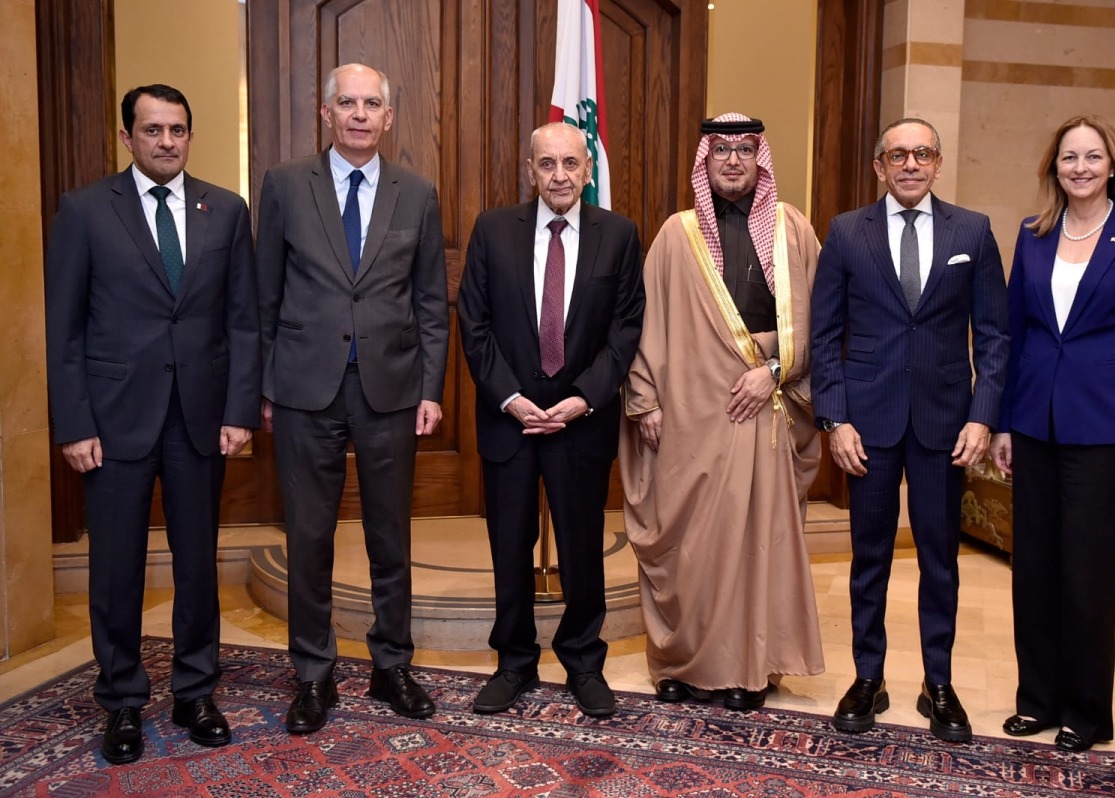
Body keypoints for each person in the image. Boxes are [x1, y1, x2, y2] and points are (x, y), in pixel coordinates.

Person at [44, 84, 260, 764]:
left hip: (200, 419)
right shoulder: (84, 210)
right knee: (116, 568)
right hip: (112, 422)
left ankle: (196, 692)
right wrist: (74, 423)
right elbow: (64, 329)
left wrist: (239, 410)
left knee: (198, 564)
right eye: (153, 129)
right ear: (127, 137)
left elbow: (243, 321)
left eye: (178, 129)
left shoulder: (226, 210)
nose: (167, 141)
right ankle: (122, 701)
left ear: (190, 135)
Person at [256, 63, 449, 733]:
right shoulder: (285, 185)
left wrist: (430, 389)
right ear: (326, 113)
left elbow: (431, 303)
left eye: (371, 104)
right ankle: (313, 673)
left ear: (388, 117)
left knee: (390, 537)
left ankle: (392, 664)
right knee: (309, 537)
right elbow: (264, 296)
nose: (360, 114)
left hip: (390, 390)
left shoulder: (416, 192)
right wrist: (265, 387)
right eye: (348, 103)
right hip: (304, 389)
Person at [810, 117, 1009, 743]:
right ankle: (868, 677)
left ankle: (938, 682)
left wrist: (982, 415)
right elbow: (825, 335)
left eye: (922, 153)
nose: (911, 164)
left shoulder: (972, 231)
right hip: (866, 425)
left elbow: (995, 335)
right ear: (880, 167)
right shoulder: (847, 231)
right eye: (897, 155)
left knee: (939, 559)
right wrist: (835, 418)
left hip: (945, 424)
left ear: (938, 163)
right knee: (868, 558)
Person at [619, 113, 825, 711]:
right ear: (704, 161)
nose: (733, 160)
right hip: (687, 410)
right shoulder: (675, 235)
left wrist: (775, 372)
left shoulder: (793, 230)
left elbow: (823, 320)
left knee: (752, 541)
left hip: (762, 407)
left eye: (744, 150)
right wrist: (644, 399)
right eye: (721, 150)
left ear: (761, 158)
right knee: (690, 542)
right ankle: (680, 663)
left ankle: (745, 668)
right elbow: (645, 323)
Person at [990, 115, 1115, 753]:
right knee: (1033, 571)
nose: (1081, 168)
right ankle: (1037, 700)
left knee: (1087, 577)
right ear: (1054, 167)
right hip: (1034, 426)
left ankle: (1086, 712)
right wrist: (1005, 422)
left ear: (1114, 165)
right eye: (1069, 157)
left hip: (1105, 433)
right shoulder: (1033, 233)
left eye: (1093, 157)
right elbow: (1015, 335)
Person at [457, 122, 644, 717]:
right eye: (547, 164)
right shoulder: (492, 230)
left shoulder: (619, 234)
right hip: (509, 419)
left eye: (570, 164)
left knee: (582, 548)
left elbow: (626, 329)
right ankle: (514, 662)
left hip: (580, 421)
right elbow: (474, 324)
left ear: (587, 170)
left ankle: (583, 661)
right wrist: (510, 398)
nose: (559, 176)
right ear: (530, 170)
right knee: (510, 546)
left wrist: (585, 398)